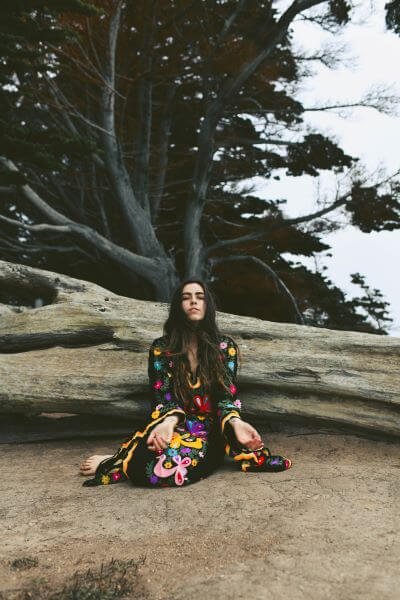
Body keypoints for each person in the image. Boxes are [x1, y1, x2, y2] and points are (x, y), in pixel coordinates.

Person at [80, 280, 292, 487]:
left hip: (210, 431)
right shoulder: (161, 349)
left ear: (207, 305)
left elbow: (226, 397)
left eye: (200, 297)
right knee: (143, 461)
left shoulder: (225, 348)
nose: (193, 302)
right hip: (175, 424)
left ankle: (123, 459)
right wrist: (167, 423)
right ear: (178, 307)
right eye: (186, 298)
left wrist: (237, 424)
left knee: (152, 473)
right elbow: (162, 396)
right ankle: (123, 457)